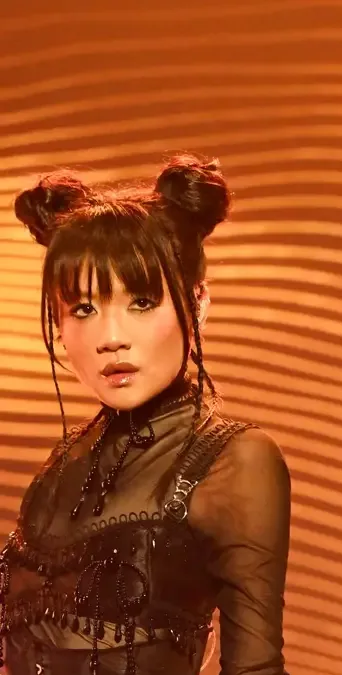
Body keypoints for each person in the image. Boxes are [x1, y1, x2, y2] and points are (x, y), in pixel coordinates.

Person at [1, 156, 291, 674]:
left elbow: (255, 667)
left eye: (141, 302)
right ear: (59, 325)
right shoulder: (63, 461)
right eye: (84, 309)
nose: (111, 337)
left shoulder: (236, 460)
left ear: (197, 303)